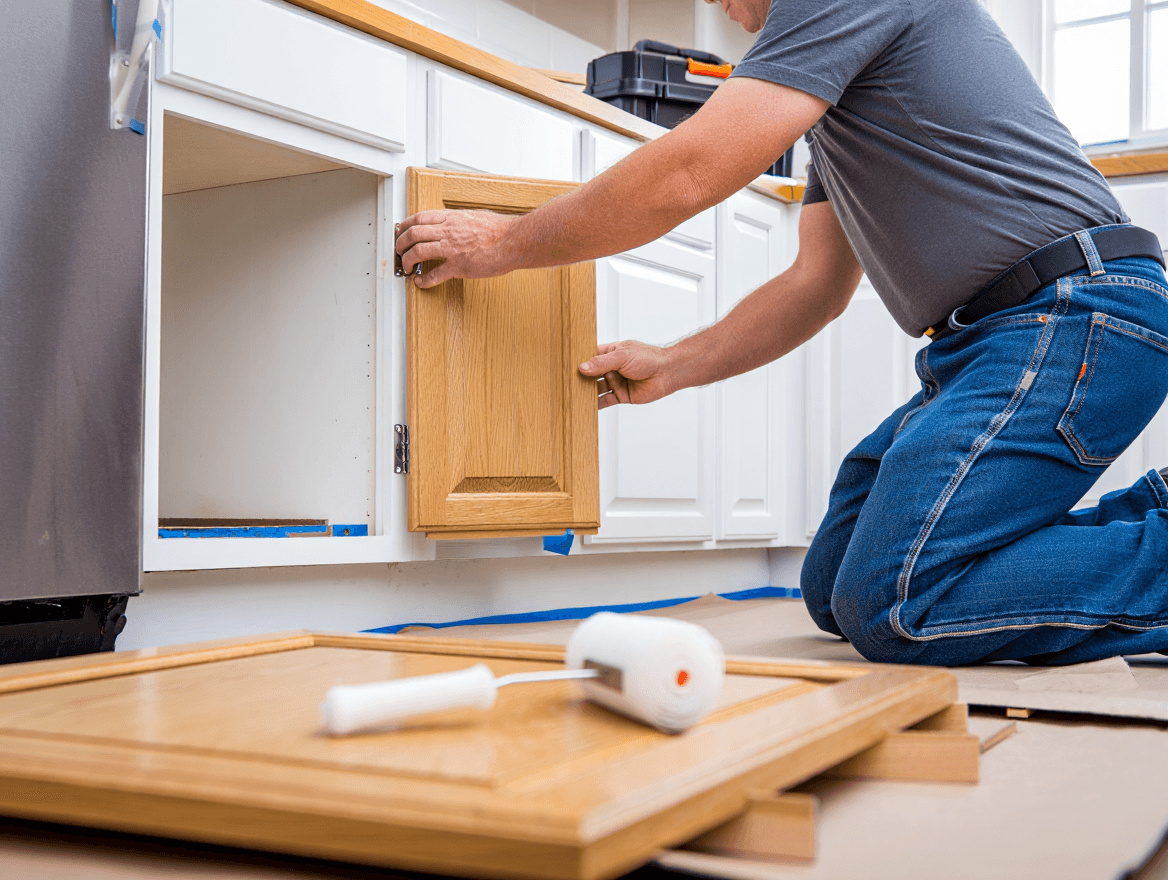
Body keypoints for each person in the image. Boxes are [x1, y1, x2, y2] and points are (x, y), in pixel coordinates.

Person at [395, 0, 1168, 666]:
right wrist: (675, 364)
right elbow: (816, 287)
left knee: (897, 599)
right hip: (1004, 339)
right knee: (836, 586)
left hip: (1076, 316)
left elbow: (687, 174)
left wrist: (502, 244)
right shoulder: (836, 93)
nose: (716, 4)